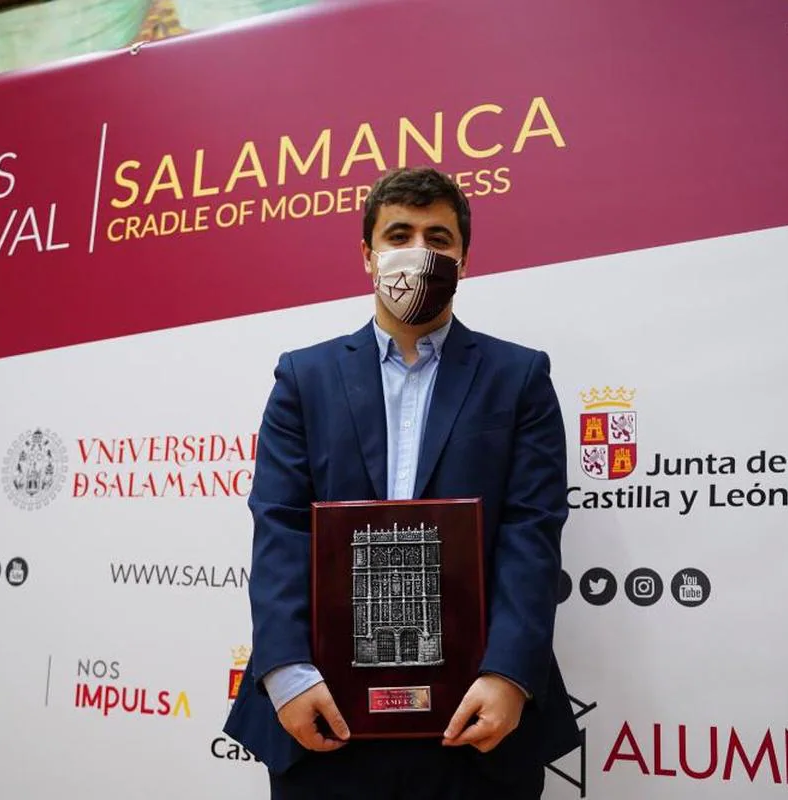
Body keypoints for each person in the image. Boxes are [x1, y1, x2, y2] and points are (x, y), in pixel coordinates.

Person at [224, 167, 579, 799]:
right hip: (324, 712)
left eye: (438, 237)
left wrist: (510, 676)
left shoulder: (519, 377)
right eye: (399, 234)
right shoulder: (302, 379)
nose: (420, 251)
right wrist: (285, 672)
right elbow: (278, 525)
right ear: (368, 255)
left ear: (463, 256)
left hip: (476, 716)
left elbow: (533, 530)